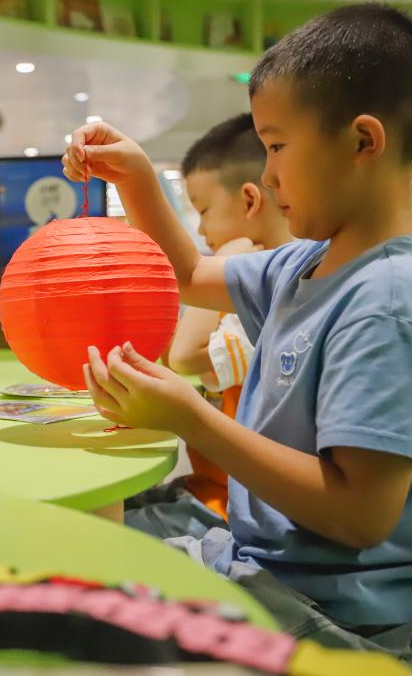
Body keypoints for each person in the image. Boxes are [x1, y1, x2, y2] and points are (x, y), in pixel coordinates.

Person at [65, 4, 412, 672]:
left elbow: (362, 515)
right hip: (279, 567)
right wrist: (135, 177)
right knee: (113, 540)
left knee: (94, 611)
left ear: (363, 142)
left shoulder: (389, 301)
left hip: (355, 620)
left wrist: (193, 419)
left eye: (277, 147)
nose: (269, 176)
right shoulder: (306, 264)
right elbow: (188, 274)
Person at [126, 113, 292, 539]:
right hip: (208, 489)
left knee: (101, 530)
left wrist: (229, 253)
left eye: (203, 211)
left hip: (229, 508)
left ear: (250, 201)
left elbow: (185, 356)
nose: (200, 229)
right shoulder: (266, 278)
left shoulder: (273, 294)